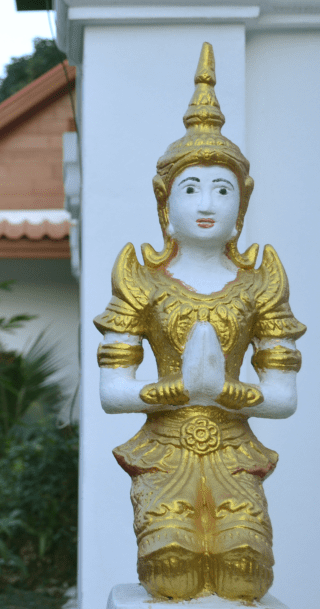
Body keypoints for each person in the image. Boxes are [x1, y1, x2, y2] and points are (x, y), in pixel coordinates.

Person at [94, 43, 305, 600]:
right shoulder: (141, 280)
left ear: (243, 201)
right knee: (171, 572)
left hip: (236, 450)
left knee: (245, 572)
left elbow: (284, 398)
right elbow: (114, 393)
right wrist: (182, 389)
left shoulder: (262, 283)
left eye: (222, 188)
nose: (206, 202)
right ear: (164, 203)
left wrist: (226, 390)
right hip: (163, 448)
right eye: (191, 188)